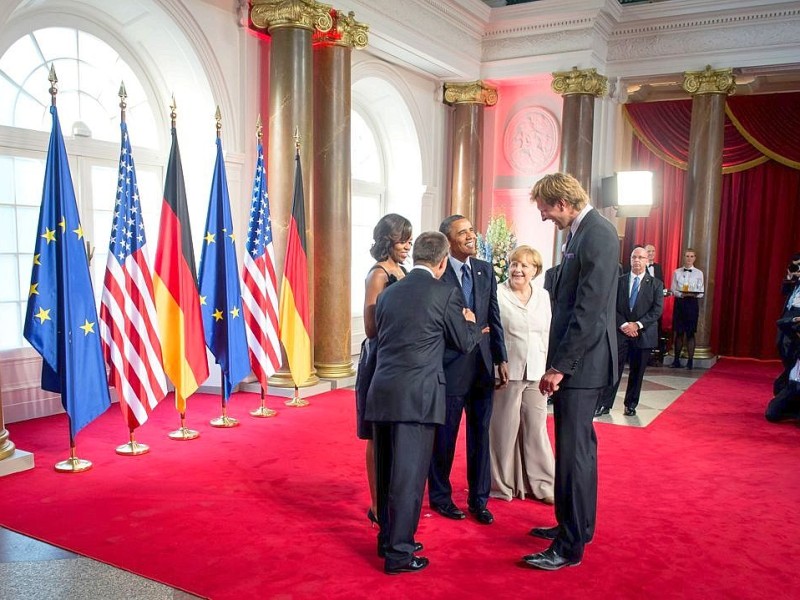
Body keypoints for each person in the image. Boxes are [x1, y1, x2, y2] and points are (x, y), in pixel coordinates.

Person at [365, 231, 483, 574]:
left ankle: (389, 540)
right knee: (409, 478)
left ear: (415, 255)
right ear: (443, 261)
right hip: (417, 398)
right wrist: (473, 326)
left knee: (388, 473)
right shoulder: (445, 292)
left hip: (383, 391)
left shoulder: (388, 293)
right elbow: (462, 342)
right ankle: (400, 554)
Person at [523, 172, 619, 571]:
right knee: (578, 449)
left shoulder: (596, 233)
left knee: (574, 452)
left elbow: (588, 311)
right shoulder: (581, 233)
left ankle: (569, 545)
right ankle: (574, 524)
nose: (544, 217)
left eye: (545, 209)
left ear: (561, 202)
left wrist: (561, 366)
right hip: (580, 361)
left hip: (583, 364)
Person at [428, 215, 509, 526]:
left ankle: (479, 499)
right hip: (450, 366)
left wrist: (500, 357)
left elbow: (493, 315)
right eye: (463, 233)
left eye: (472, 230)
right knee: (445, 436)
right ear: (449, 242)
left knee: (480, 436)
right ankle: (440, 496)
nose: (471, 236)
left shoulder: (484, 269)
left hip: (483, 367)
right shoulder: (438, 272)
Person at [355, 214, 412, 526]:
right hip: (378, 360)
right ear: (389, 241)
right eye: (403, 239)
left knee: (393, 434)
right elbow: (370, 327)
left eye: (409, 239)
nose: (408, 245)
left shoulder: (402, 271)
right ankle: (377, 506)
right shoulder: (378, 275)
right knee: (376, 436)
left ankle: (392, 500)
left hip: (398, 359)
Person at [489, 245, 555, 504]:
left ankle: (543, 484)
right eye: (514, 264)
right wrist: (497, 362)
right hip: (506, 372)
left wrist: (550, 370)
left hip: (537, 372)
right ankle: (502, 485)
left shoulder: (544, 295)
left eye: (524, 265)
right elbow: (492, 332)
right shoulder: (497, 293)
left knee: (536, 430)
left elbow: (546, 335)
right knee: (503, 432)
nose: (517, 269)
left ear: (535, 270)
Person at [594, 245, 664, 417]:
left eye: (641, 257)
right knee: (613, 369)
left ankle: (631, 404)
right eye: (634, 257)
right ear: (630, 260)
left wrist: (637, 325)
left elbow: (656, 310)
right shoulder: (620, 281)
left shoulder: (656, 284)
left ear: (647, 261)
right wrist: (624, 324)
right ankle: (604, 404)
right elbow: (611, 306)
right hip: (620, 332)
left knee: (637, 371)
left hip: (644, 334)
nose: (637, 261)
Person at [669, 248, 704, 370]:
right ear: (684, 257)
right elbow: (673, 289)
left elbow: (701, 292)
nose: (689, 259)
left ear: (695, 258)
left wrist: (694, 294)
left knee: (690, 333)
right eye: (687, 256)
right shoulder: (677, 272)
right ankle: (676, 360)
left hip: (692, 304)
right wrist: (681, 294)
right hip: (680, 303)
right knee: (678, 332)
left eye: (691, 256)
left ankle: (690, 362)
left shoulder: (699, 273)